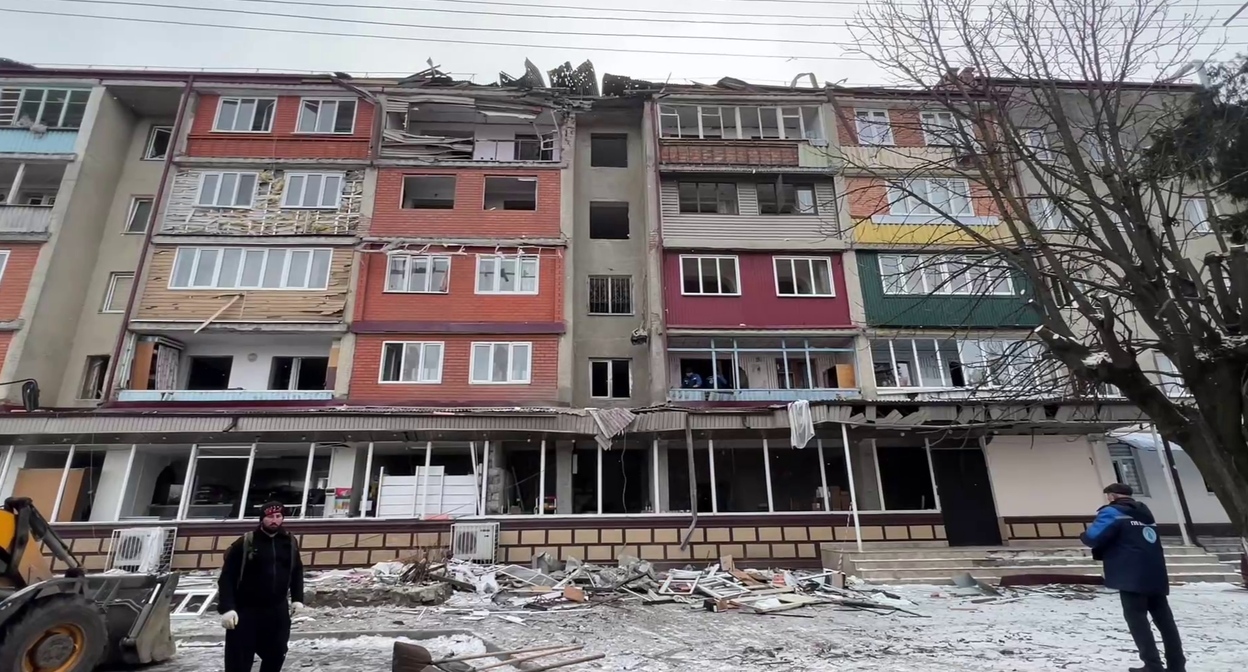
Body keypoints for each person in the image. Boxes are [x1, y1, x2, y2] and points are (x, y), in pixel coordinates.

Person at [1080, 483, 1185, 672]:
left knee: (1137, 620)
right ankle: (1177, 665)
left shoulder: (1112, 512)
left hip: (1131, 574)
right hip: (1155, 572)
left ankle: (1152, 665)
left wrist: (1084, 535)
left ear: (1111, 496)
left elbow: (1093, 537)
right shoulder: (1145, 512)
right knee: (1165, 621)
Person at [218, 501, 305, 672]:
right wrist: (227, 608)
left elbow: (296, 572)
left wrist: (297, 599)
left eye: (278, 516)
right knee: (240, 658)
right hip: (246, 610)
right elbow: (227, 578)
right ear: (262, 519)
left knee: (277, 653)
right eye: (270, 517)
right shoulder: (245, 543)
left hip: (277, 610)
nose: (275, 520)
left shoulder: (289, 542)